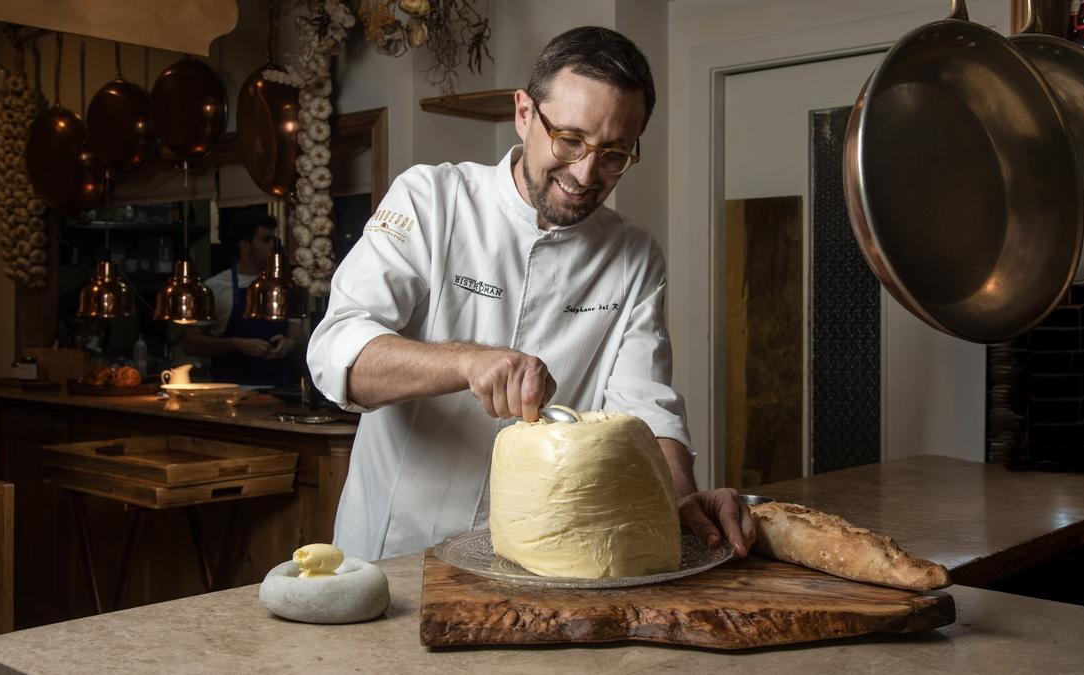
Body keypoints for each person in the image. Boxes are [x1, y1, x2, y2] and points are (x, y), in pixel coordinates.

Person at [307, 26, 755, 562]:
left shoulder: (634, 253)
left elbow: (643, 405)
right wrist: (468, 362)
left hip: (542, 559)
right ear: (524, 113)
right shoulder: (431, 199)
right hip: (397, 550)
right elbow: (339, 353)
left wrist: (679, 496)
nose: (585, 173)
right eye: (569, 139)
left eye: (614, 153)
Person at [183, 212, 304, 385]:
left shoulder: (284, 287)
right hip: (230, 392)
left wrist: (290, 344)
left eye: (274, 240)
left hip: (279, 391)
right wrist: (236, 344)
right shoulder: (216, 287)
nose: (274, 246)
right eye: (266, 240)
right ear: (245, 245)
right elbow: (190, 343)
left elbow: (298, 336)